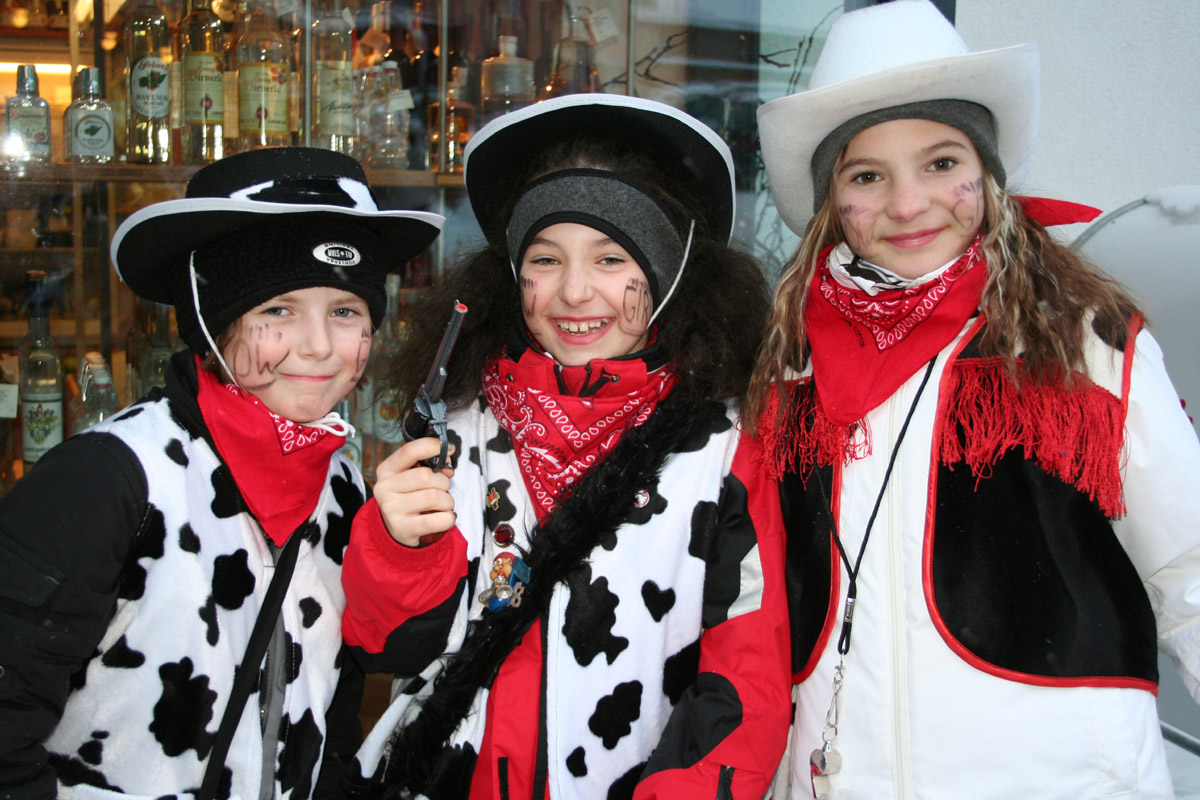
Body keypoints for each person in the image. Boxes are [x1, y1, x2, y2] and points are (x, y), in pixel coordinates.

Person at [748, 1, 1200, 798]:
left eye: (941, 162)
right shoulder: (790, 367)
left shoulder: (1081, 339)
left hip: (1063, 778)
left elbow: (1189, 567)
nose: (908, 203)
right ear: (830, 203)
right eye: (866, 175)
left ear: (984, 173)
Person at [338, 94, 792, 799]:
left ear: (667, 273)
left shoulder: (725, 449)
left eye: (611, 258)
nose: (575, 292)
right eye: (546, 259)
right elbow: (388, 646)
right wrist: (398, 547)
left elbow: (745, 685)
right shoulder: (458, 425)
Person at [0, 147, 442, 799]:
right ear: (211, 322)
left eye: (346, 311)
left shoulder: (343, 487)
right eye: (278, 310)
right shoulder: (112, 479)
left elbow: (337, 708)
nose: (320, 345)